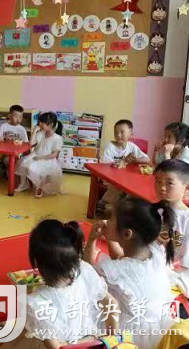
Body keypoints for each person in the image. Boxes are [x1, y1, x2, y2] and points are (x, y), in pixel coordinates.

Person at [85, 198, 184, 349]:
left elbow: (86, 275)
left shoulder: (112, 270)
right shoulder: (155, 251)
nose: (106, 221)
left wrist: (92, 239)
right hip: (159, 325)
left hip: (131, 334)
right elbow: (121, 257)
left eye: (111, 218)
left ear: (127, 234)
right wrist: (110, 237)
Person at [2, 220, 117, 349]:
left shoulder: (35, 302)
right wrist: (112, 338)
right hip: (93, 341)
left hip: (69, 344)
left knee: (27, 330)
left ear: (36, 262)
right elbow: (112, 303)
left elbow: (56, 347)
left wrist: (72, 343)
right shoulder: (86, 270)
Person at [99, 119, 150, 213]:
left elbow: (147, 159)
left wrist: (135, 160)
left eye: (122, 132)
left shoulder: (132, 147)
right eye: (116, 132)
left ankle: (125, 208)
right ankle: (103, 202)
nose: (118, 135)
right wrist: (124, 161)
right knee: (119, 186)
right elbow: (105, 166)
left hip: (126, 177)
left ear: (131, 134)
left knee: (136, 186)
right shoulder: (110, 146)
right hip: (110, 177)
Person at [154, 160, 189, 291]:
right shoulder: (153, 211)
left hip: (175, 277)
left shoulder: (186, 220)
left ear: (186, 187)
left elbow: (184, 265)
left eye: (169, 183)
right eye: (158, 181)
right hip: (151, 265)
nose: (161, 187)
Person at [15, 112, 63, 198]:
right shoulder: (41, 133)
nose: (40, 124)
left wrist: (41, 158)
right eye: (40, 122)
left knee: (43, 170)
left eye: (42, 122)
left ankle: (39, 187)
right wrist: (34, 131)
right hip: (36, 155)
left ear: (50, 125)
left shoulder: (57, 138)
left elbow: (54, 155)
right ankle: (23, 184)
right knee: (24, 162)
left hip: (47, 158)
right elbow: (31, 143)